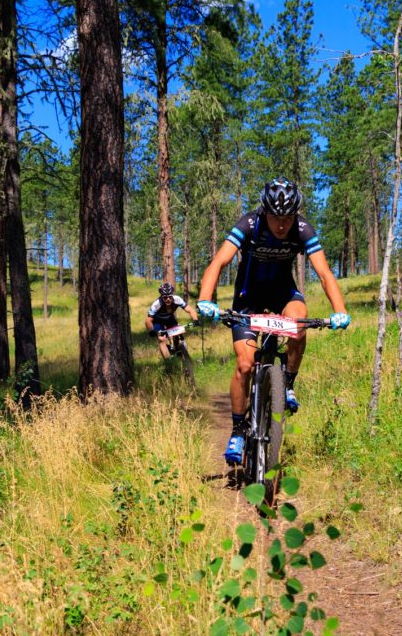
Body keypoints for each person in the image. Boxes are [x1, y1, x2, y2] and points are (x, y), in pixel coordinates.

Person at [197, 177, 351, 464]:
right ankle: (239, 430)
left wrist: (339, 310)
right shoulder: (249, 224)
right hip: (248, 296)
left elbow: (325, 272)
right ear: (264, 211)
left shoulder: (303, 229)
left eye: (288, 217)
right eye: (276, 217)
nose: (282, 224)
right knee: (245, 364)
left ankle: (288, 383)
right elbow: (219, 262)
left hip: (283, 293)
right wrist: (206, 299)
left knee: (299, 324)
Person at [145, 282, 198, 360]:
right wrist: (151, 331)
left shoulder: (177, 299)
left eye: (170, 297)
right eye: (165, 297)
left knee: (178, 335)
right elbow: (147, 320)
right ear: (161, 297)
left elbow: (190, 310)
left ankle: (182, 356)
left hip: (169, 319)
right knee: (162, 339)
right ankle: (169, 363)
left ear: (172, 295)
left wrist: (195, 319)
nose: (168, 299)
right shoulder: (157, 304)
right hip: (157, 321)